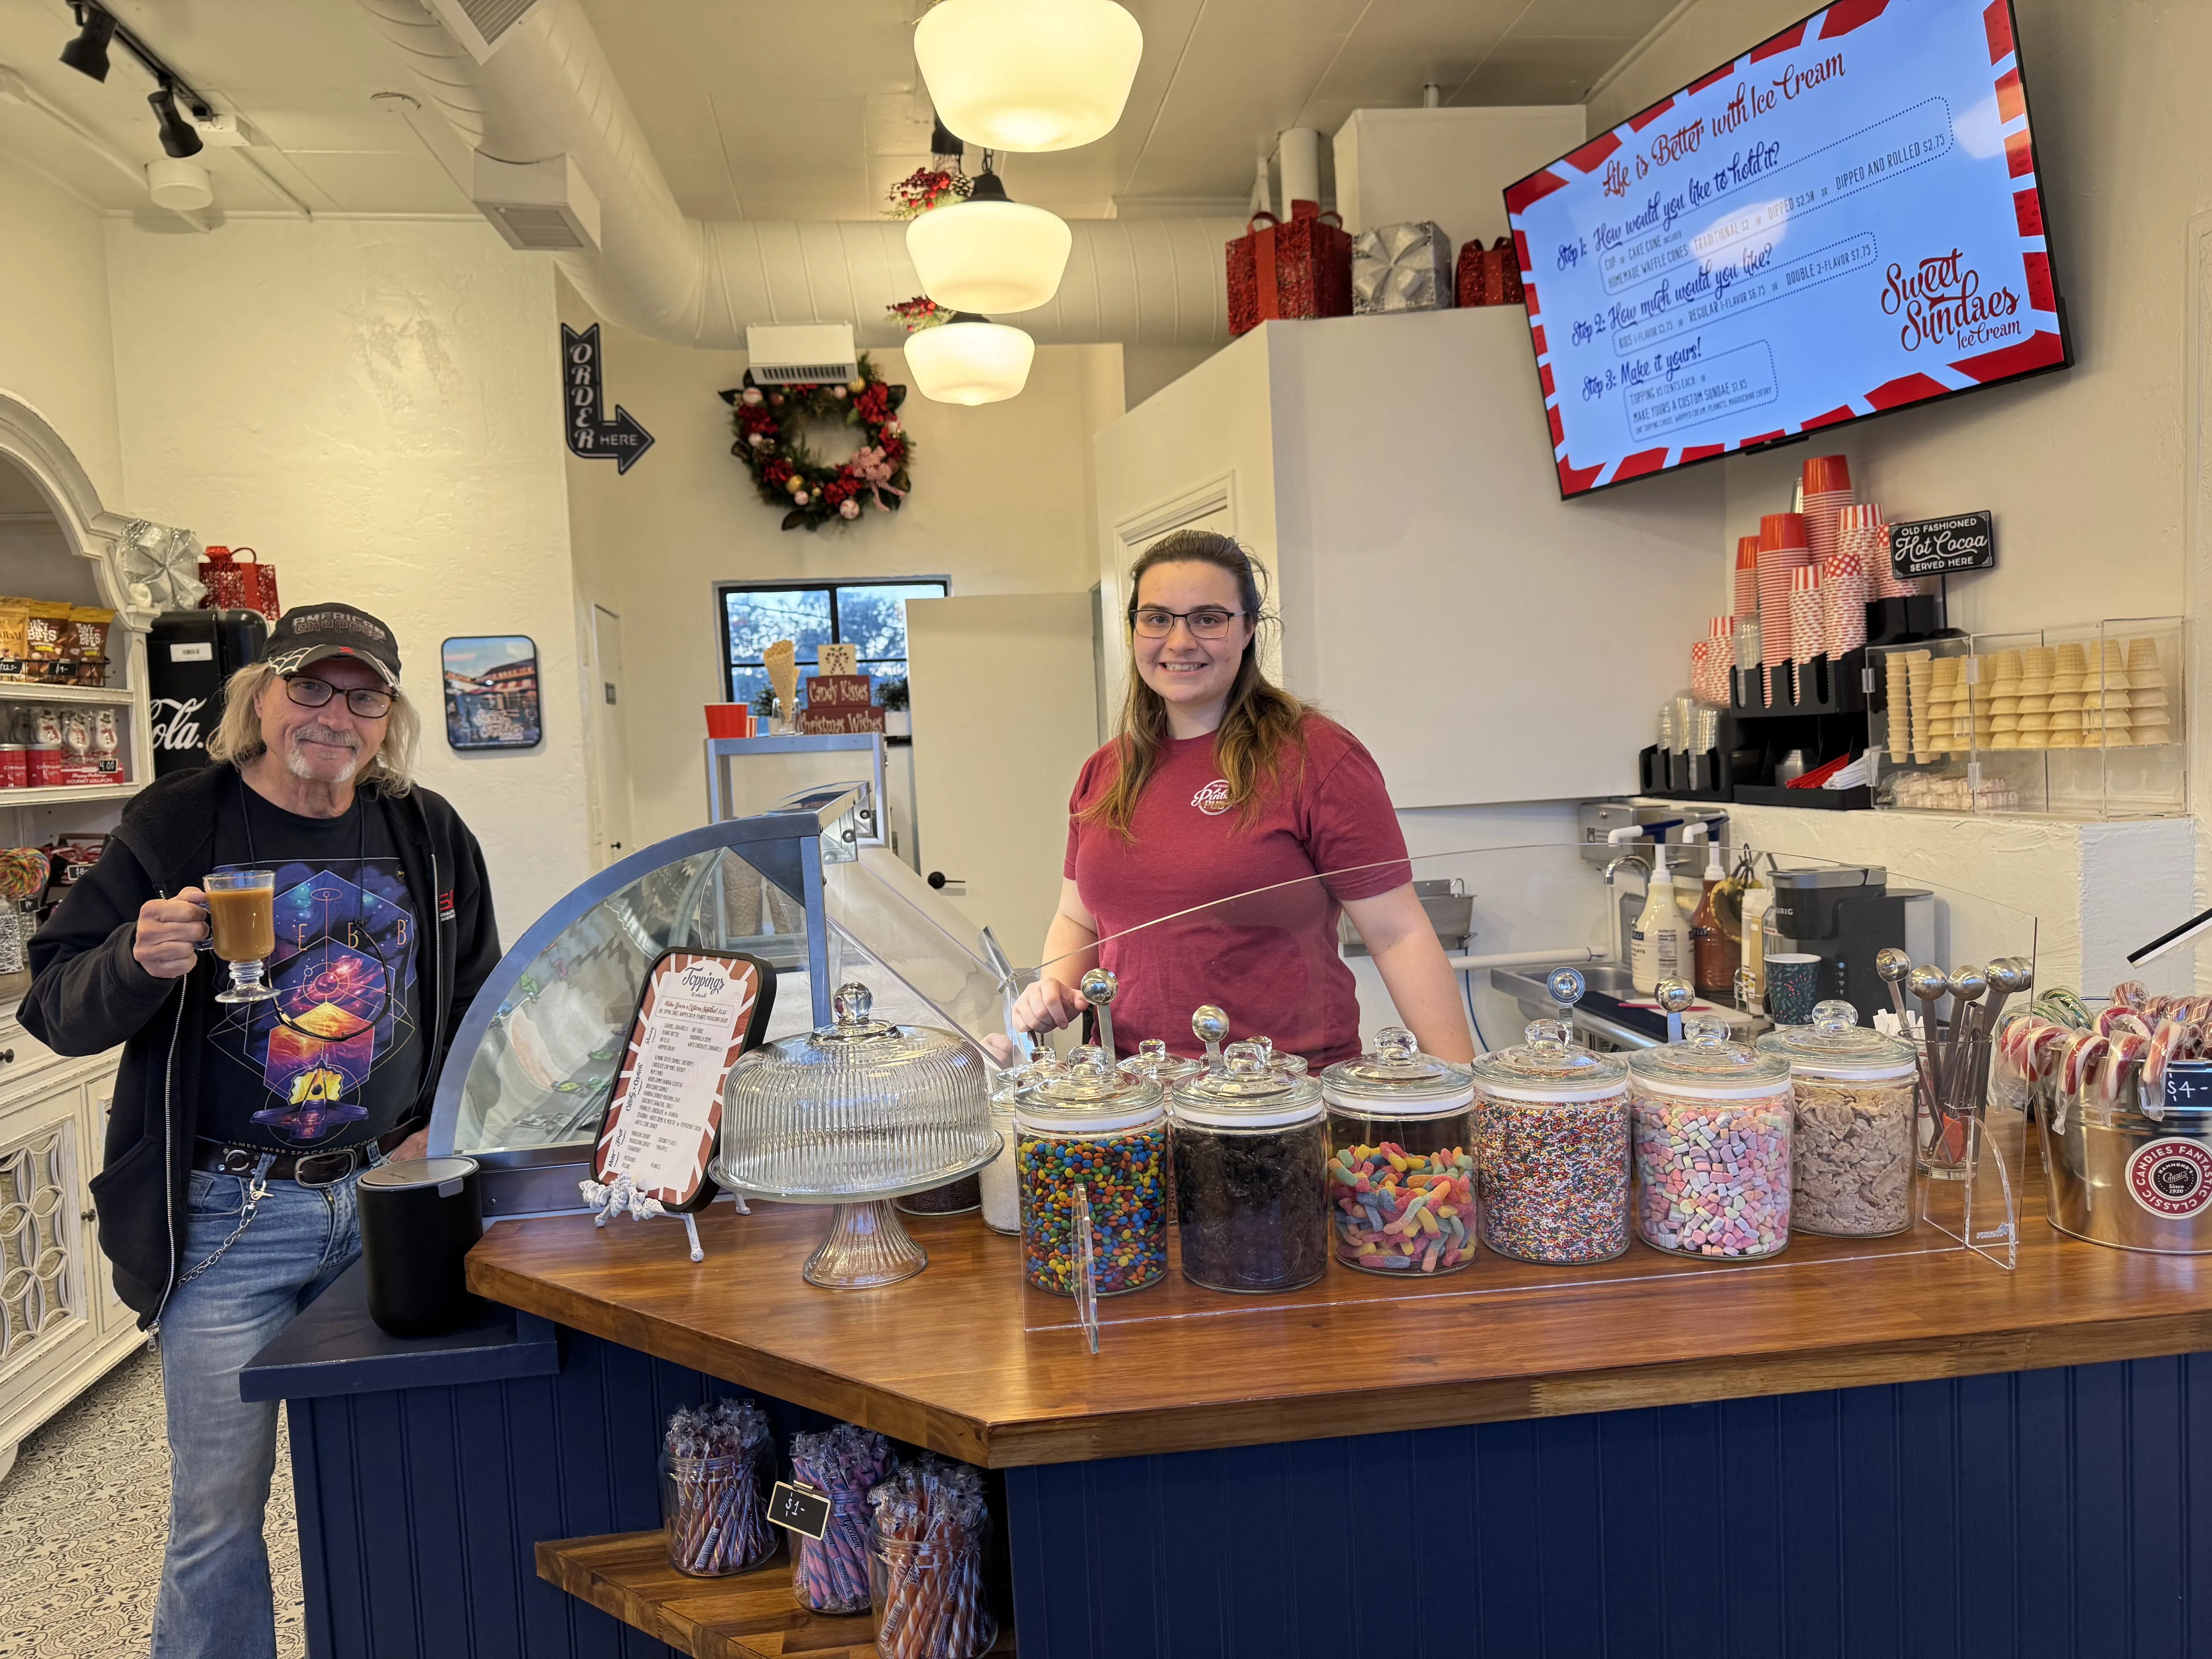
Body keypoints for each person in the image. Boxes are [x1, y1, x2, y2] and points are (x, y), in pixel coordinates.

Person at [20, 603, 501, 1659]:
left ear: (389, 715)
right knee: (217, 1516)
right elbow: (53, 1005)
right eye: (310, 687)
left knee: (404, 1485)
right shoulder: (175, 825)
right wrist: (132, 962)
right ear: (261, 698)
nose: (334, 713)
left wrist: (435, 1130)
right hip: (229, 1218)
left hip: (386, 1202)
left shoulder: (426, 828)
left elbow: (478, 1002)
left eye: (362, 694)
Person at [1011, 530, 1471, 1066]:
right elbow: (1079, 919)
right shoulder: (1105, 772)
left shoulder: (1315, 756)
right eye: (1158, 618)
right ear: (1135, 629)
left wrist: (1462, 1092)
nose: (1180, 642)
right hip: (1131, 1094)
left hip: (1281, 1100)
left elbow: (1398, 935)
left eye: (1208, 619)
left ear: (1249, 628)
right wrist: (1055, 988)